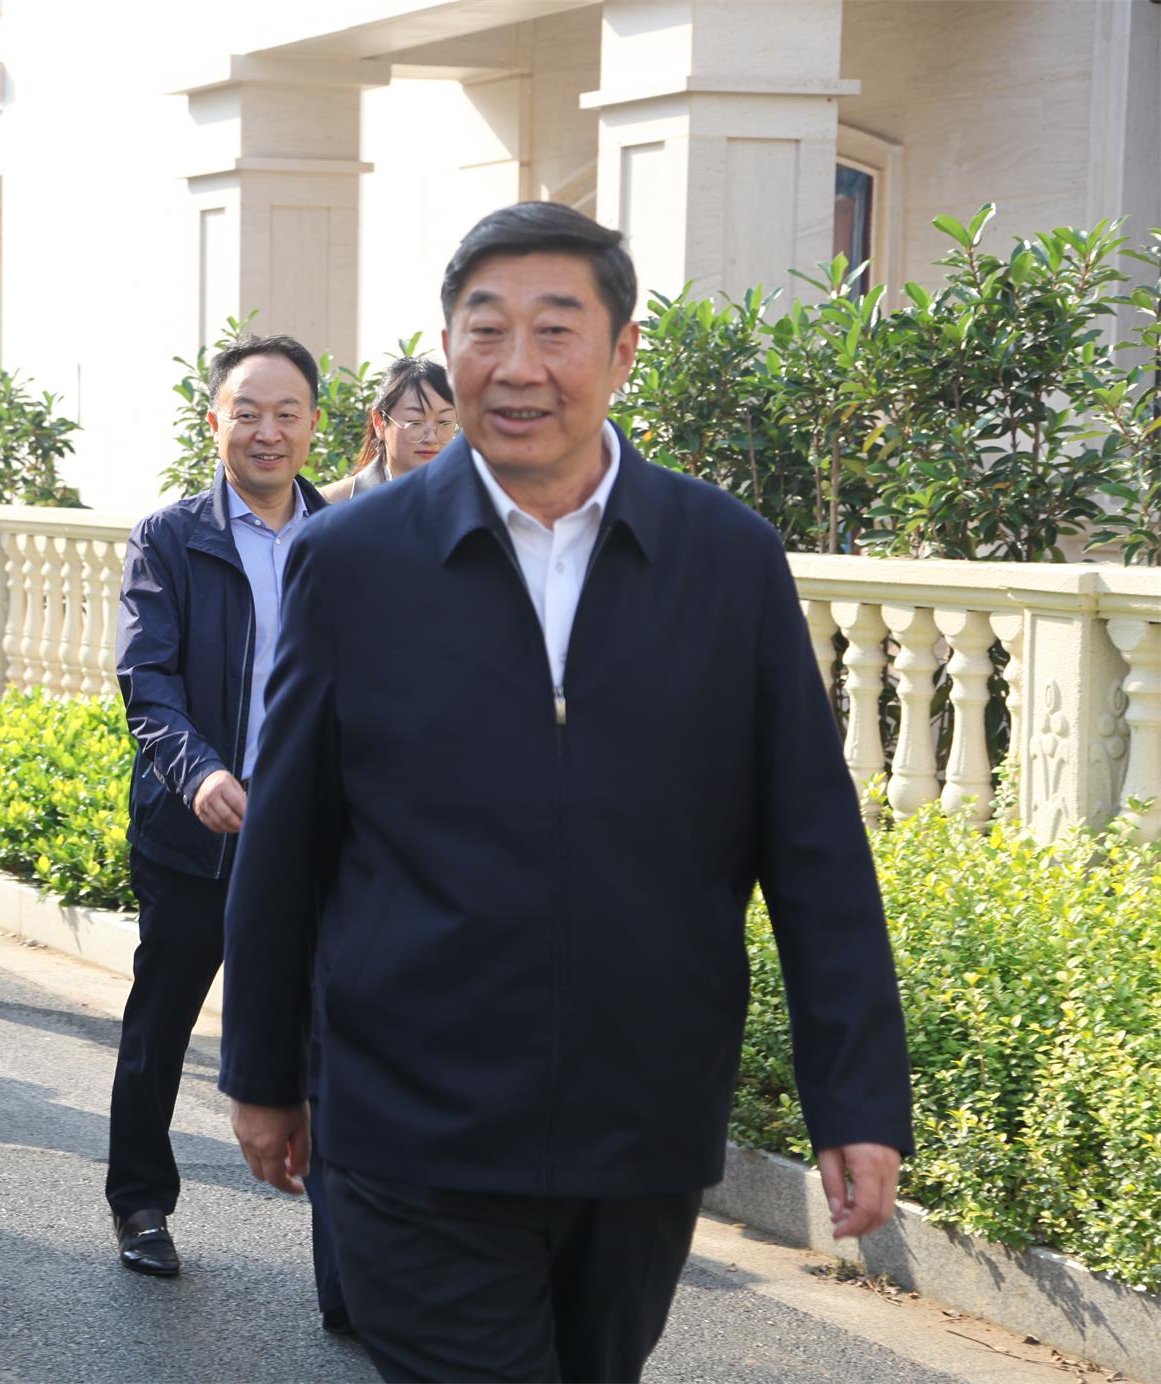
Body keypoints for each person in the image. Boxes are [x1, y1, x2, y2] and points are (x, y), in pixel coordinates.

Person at [218, 202, 914, 1384]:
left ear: (622, 350)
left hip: (639, 1122)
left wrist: (854, 1097)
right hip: (409, 1116)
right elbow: (289, 835)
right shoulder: (353, 562)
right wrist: (263, 1071)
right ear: (447, 345)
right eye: (485, 329)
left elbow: (811, 846)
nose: (517, 366)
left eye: (556, 329)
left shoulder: (724, 558)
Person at [107, 334, 332, 1281]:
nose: (266, 431)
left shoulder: (345, 541)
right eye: (247, 412)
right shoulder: (170, 536)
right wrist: (198, 773)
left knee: (333, 1046)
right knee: (161, 1024)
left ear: (313, 425)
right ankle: (139, 1203)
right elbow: (146, 679)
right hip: (197, 831)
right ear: (215, 422)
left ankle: (347, 1254)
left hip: (317, 836)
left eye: (286, 413)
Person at [317, 356, 455, 504]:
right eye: (415, 422)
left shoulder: (468, 500)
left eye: (444, 422)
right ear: (379, 423)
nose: (432, 438)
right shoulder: (330, 503)